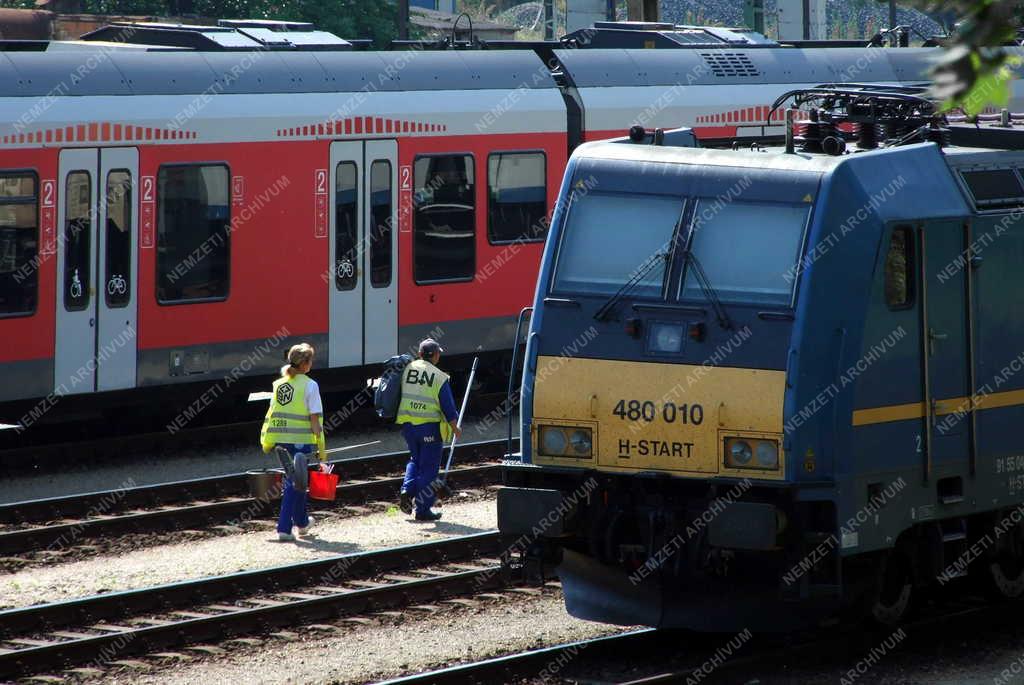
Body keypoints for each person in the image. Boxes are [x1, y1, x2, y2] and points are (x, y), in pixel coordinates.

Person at [260, 343, 327, 541]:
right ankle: (284, 528)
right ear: (306, 364)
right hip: (300, 442)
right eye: (311, 360)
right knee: (293, 483)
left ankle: (302, 523)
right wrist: (320, 447)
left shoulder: (279, 384)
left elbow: (272, 414)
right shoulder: (310, 385)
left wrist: (268, 440)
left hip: (281, 441)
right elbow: (315, 419)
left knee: (298, 482)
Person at [396, 338, 461, 521]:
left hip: (408, 424)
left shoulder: (408, 368)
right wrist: (455, 428)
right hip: (429, 428)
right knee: (429, 470)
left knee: (415, 460)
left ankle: (407, 490)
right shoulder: (439, 377)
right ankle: (423, 510)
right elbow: (448, 407)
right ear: (437, 355)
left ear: (419, 354)